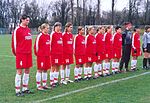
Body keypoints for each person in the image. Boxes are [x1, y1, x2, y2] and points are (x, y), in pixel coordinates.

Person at [12, 14, 33, 96]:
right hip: (21, 54)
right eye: (27, 20)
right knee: (19, 71)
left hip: (28, 53)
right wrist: (16, 53)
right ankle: (17, 90)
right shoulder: (17, 29)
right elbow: (14, 43)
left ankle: (25, 88)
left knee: (27, 70)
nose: (28, 21)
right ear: (22, 20)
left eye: (28, 20)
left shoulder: (28, 30)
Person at [34, 23, 51, 90]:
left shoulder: (48, 36)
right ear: (43, 29)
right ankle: (38, 85)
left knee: (45, 70)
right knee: (39, 70)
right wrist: (39, 54)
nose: (48, 29)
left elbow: (49, 46)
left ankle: (44, 84)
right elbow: (36, 47)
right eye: (47, 28)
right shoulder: (40, 36)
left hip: (47, 56)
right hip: (41, 56)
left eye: (48, 28)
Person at [50, 22, 63, 87]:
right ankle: (51, 82)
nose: (59, 28)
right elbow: (50, 44)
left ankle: (56, 80)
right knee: (53, 67)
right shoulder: (53, 34)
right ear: (55, 27)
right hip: (54, 54)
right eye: (58, 26)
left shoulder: (60, 34)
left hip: (60, 53)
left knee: (58, 66)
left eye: (60, 26)